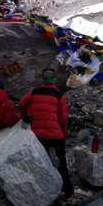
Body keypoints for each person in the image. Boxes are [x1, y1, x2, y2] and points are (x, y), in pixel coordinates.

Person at [19, 67, 73, 197]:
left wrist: (26, 117)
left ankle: (43, 191)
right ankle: (67, 190)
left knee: (41, 163)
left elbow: (21, 105)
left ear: (42, 79)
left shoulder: (33, 92)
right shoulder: (60, 95)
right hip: (56, 135)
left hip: (38, 135)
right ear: (54, 80)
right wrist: (63, 133)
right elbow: (64, 118)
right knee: (61, 163)